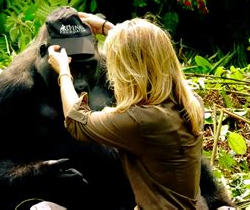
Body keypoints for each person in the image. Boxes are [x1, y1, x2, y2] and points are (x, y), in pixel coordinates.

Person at [47, 13, 206, 209]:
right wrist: (107, 28)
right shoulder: (189, 102)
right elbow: (149, 53)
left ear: (128, 71)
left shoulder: (142, 121)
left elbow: (77, 122)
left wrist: (64, 72)